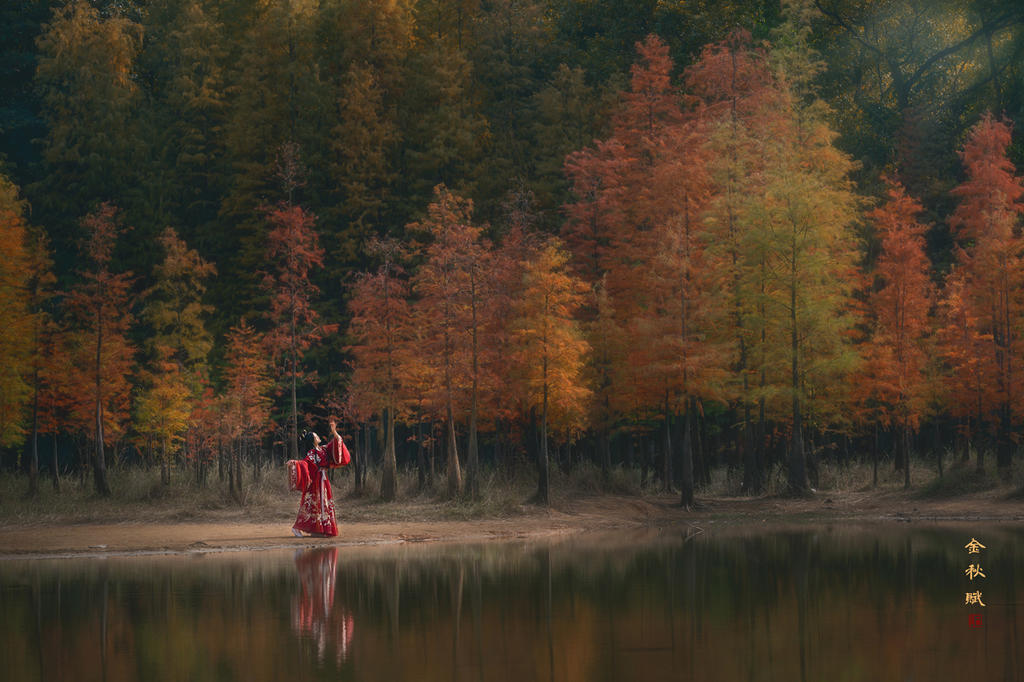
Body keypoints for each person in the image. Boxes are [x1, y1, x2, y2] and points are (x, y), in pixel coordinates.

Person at [292, 420, 350, 538]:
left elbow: (337, 443)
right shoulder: (311, 453)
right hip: (315, 482)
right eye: (316, 436)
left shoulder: (323, 449)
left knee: (323, 504)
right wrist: (294, 463)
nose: (318, 437)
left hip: (323, 481)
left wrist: (334, 432)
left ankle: (322, 529)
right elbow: (305, 464)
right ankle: (296, 528)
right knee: (310, 505)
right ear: (312, 441)